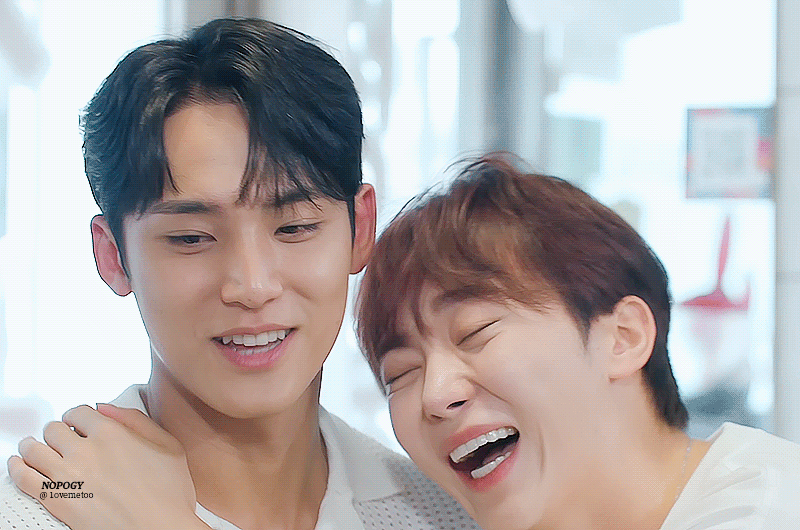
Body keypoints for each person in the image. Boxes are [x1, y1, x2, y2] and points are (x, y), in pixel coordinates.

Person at [1, 18, 480, 530]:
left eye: (294, 228)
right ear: (113, 257)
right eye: (191, 238)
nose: (253, 287)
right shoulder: (30, 514)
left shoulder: (444, 515)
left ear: (361, 229)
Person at [356, 155, 800, 530]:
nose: (435, 395)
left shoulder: (766, 510)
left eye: (475, 332)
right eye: (401, 374)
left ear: (623, 338)